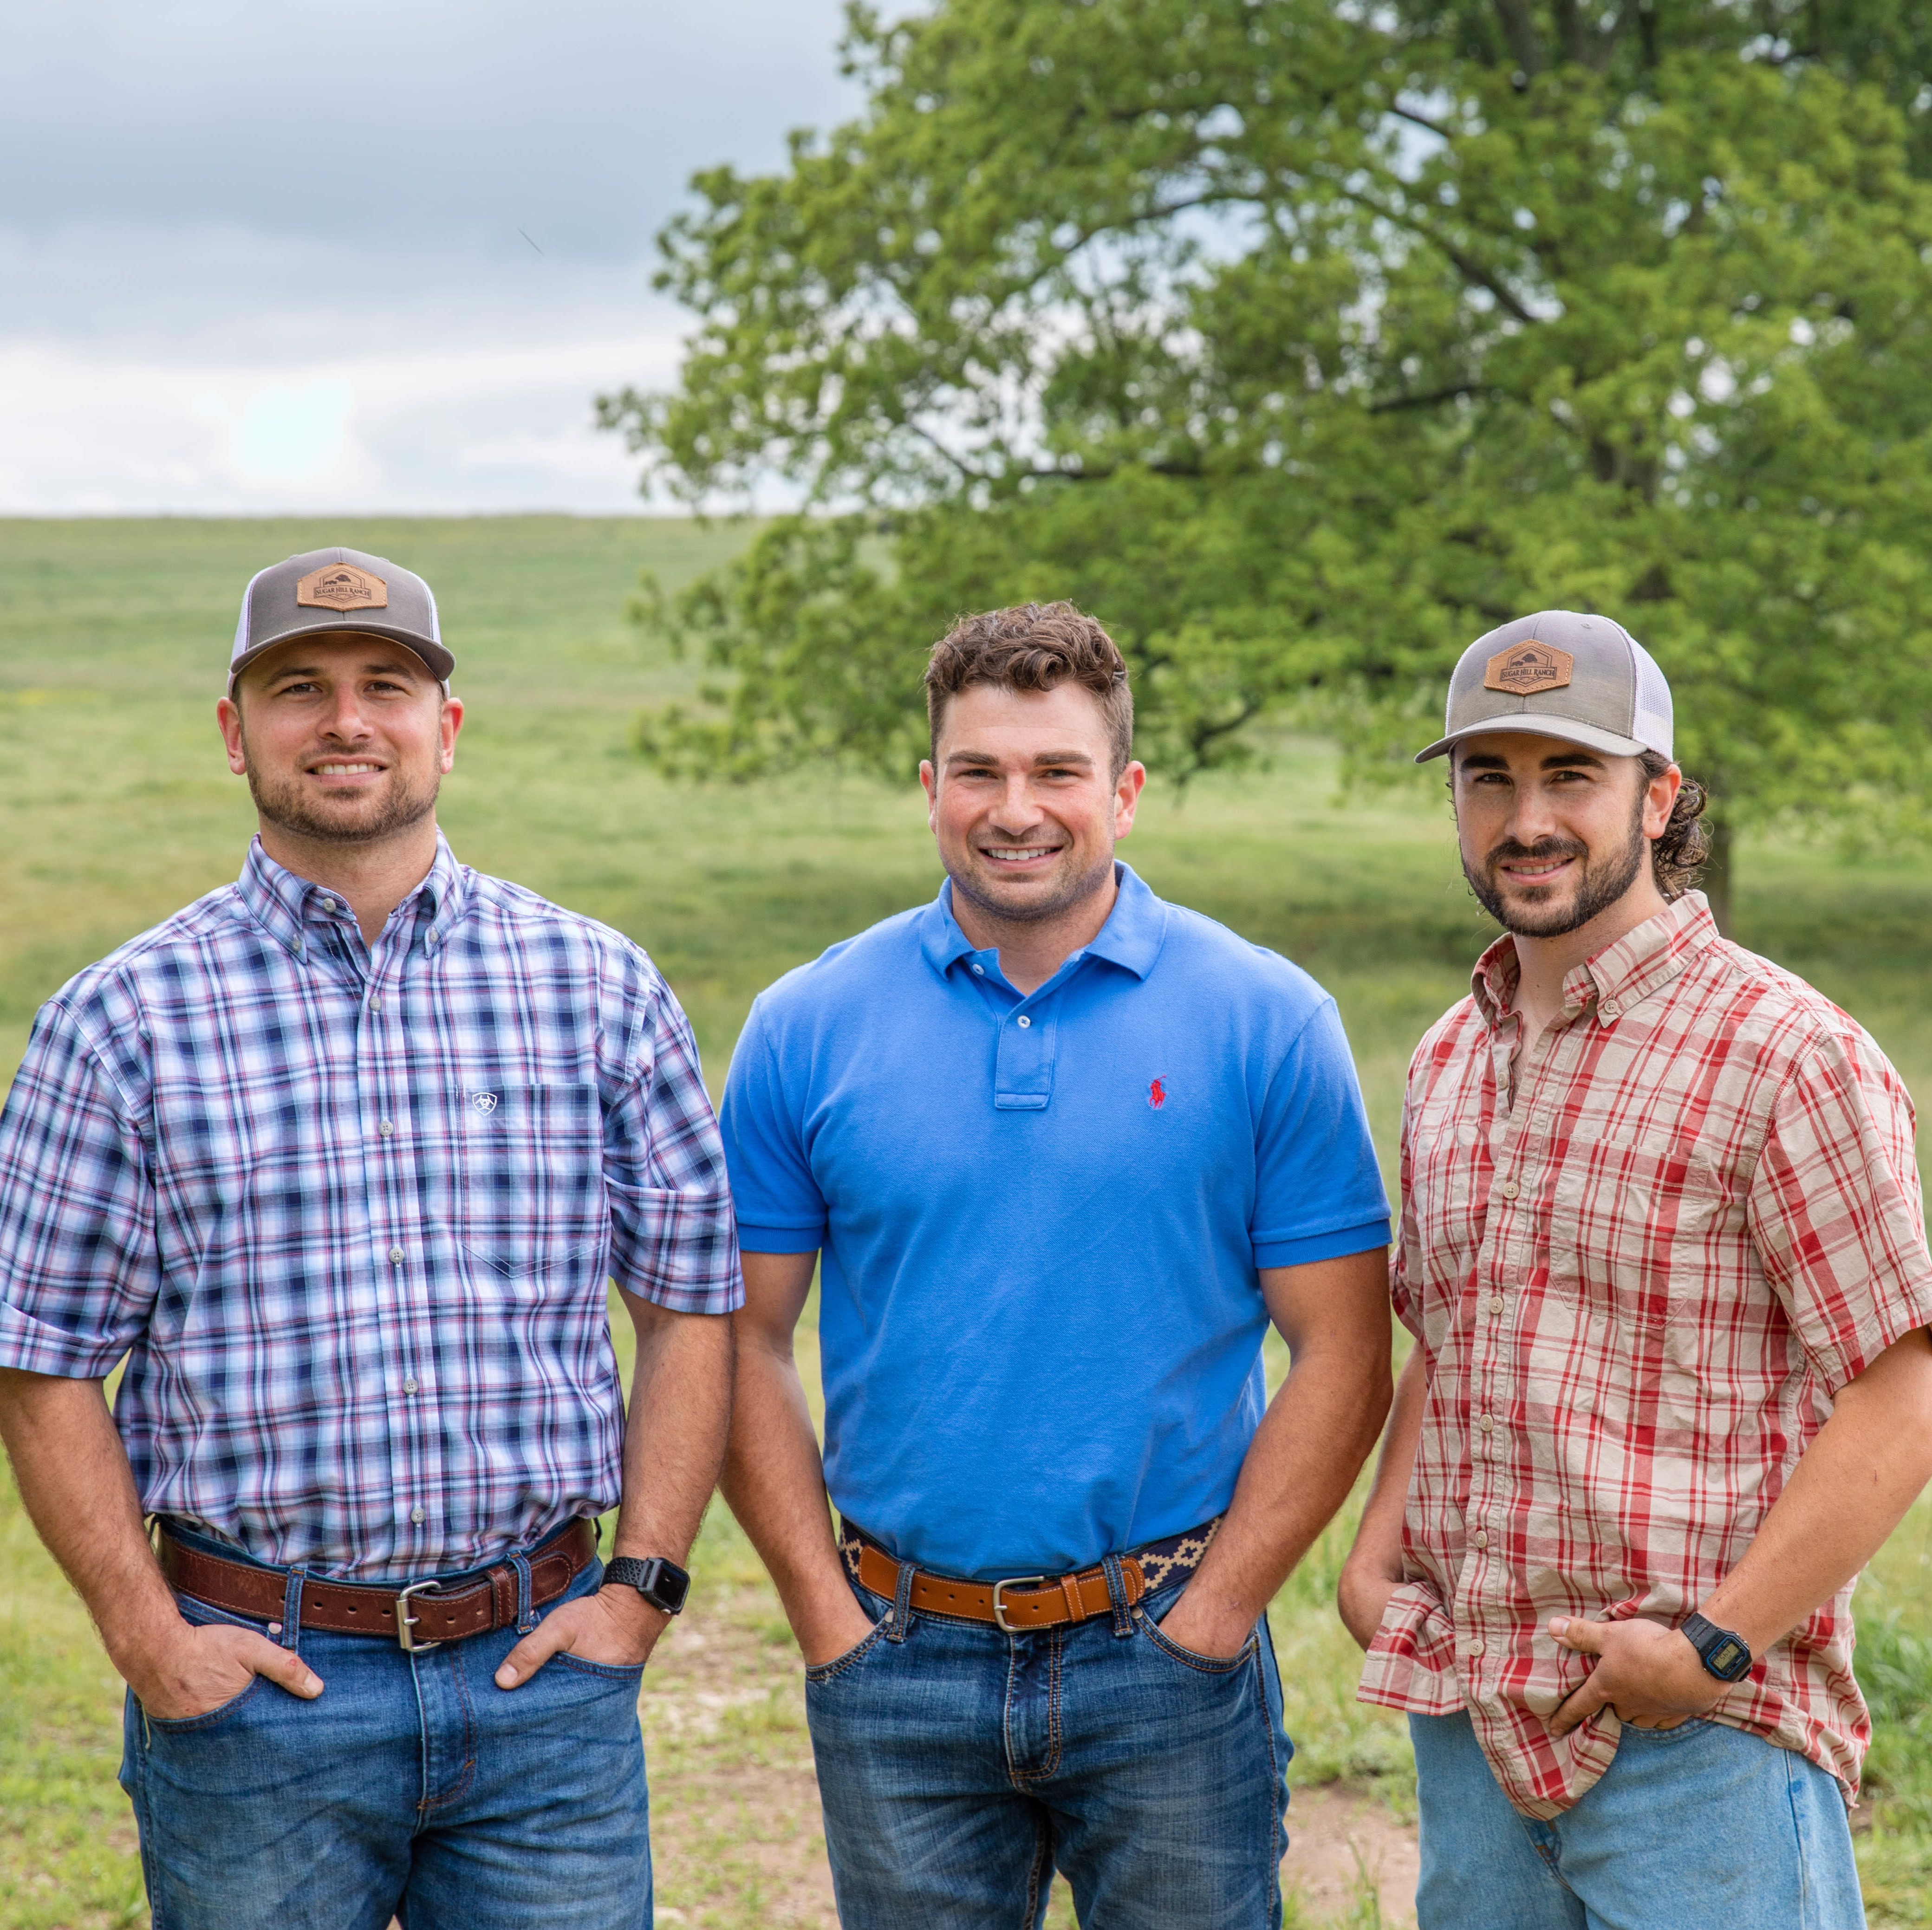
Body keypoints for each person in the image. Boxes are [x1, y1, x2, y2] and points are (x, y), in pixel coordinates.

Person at [0, 546, 740, 1930]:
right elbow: (40, 1364)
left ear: (444, 728)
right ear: (237, 733)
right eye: (299, 689)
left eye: (384, 685)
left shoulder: (594, 984)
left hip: (543, 1681)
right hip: (257, 1691)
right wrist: (148, 1640)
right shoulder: (120, 1023)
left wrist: (640, 1584)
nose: (346, 720)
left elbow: (692, 1304)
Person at [718, 601, 1393, 1929]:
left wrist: (1214, 1618)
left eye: (1055, 772)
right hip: (895, 1651)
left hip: (1167, 1648)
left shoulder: (1265, 1018)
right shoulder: (805, 1026)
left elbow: (1346, 1350)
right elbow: (737, 1341)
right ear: (929, 791)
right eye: (977, 771)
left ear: (1125, 793)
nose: (1013, 808)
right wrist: (824, 1621)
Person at [1338, 610, 1932, 1928]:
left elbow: (1899, 1398)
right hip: (1471, 1721)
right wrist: (1370, 1559)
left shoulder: (1787, 1057)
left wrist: (1707, 1647)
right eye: (1486, 778)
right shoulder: (1447, 1059)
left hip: (1702, 1748)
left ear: (1658, 797)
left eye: (1570, 777)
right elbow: (1448, 1336)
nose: (1524, 819)